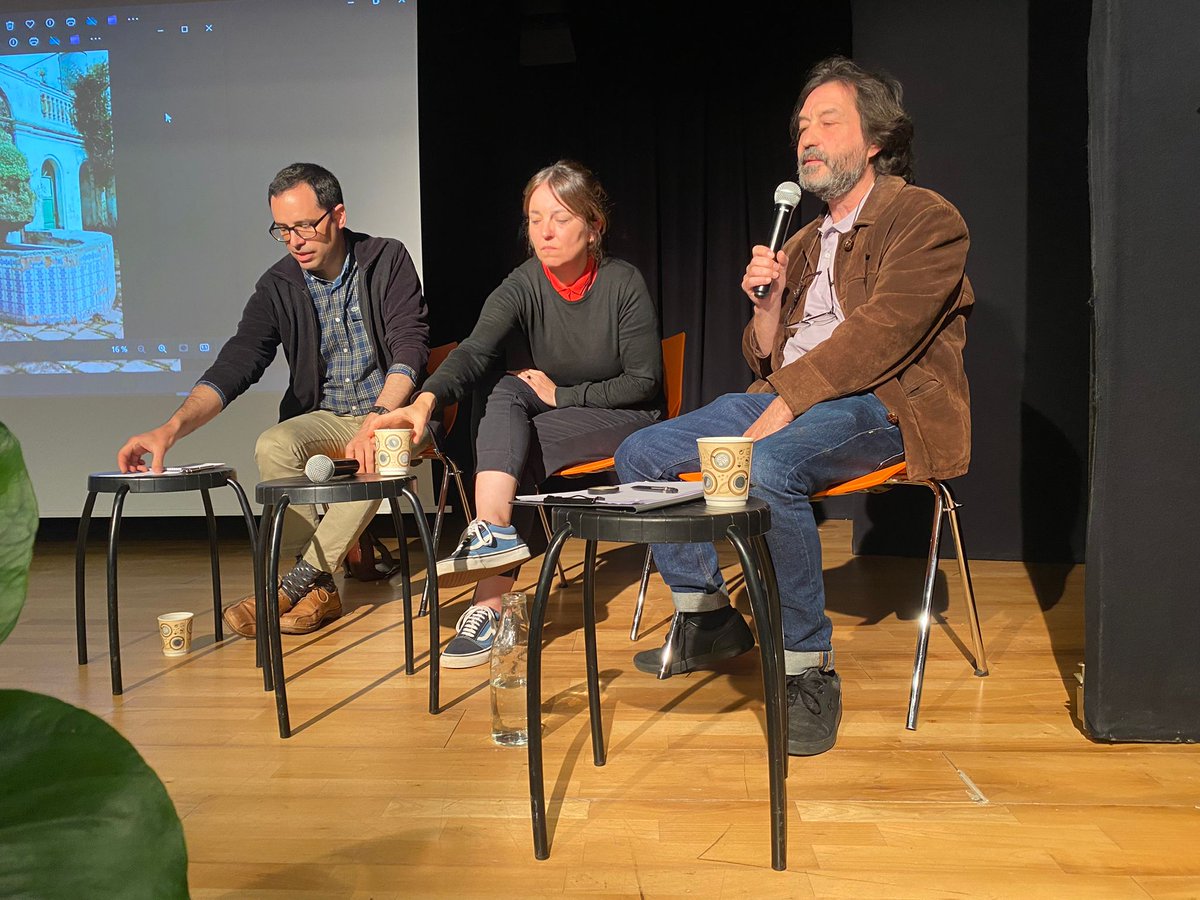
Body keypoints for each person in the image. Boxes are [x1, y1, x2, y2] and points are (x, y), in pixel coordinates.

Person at [615, 57, 973, 756]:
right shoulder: (802, 240)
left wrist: (781, 406)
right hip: (793, 396)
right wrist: (770, 306)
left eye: (827, 121)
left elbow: (881, 338)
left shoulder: (924, 217)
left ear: (874, 139)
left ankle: (807, 669)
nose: (807, 137)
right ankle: (708, 615)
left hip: (884, 404)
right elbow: (764, 355)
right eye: (801, 127)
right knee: (641, 454)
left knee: (765, 468)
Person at [369, 160, 663, 668]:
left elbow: (643, 383)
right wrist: (423, 400)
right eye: (534, 218)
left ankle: (488, 603)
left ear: (594, 227)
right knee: (506, 388)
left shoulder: (622, 283)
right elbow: (475, 350)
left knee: (519, 439)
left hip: (627, 417)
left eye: (561, 217)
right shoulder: (525, 282)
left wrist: (562, 397)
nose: (544, 231)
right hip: (551, 412)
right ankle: (491, 530)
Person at [117, 162, 428, 637]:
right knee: (273, 444)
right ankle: (320, 585)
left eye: (305, 224)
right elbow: (237, 362)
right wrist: (170, 429)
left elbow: (410, 344)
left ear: (338, 215)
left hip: (394, 412)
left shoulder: (386, 259)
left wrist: (380, 417)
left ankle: (296, 585)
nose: (294, 240)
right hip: (325, 415)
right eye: (282, 229)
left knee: (380, 454)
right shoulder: (278, 284)